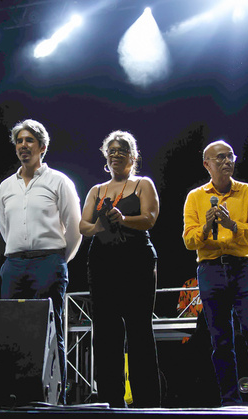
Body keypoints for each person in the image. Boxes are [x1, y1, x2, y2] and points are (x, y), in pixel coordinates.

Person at [182, 140, 248, 408]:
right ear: (206, 164)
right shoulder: (195, 197)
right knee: (221, 339)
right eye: (219, 158)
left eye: (229, 157)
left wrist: (232, 225)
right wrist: (207, 225)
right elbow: (189, 240)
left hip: (244, 267)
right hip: (210, 269)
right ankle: (229, 400)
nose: (226, 161)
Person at [0, 119, 81, 404]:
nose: (23, 145)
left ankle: (56, 397)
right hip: (14, 264)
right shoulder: (6, 186)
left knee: (51, 329)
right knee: (10, 329)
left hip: (49, 262)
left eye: (29, 140)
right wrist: (20, 251)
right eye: (19, 141)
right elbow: (4, 228)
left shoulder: (58, 181)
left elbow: (74, 227)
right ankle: (15, 395)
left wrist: (57, 258)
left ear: (42, 147)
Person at [79, 130, 161, 408]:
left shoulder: (142, 184)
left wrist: (123, 219)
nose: (116, 154)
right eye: (111, 150)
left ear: (133, 156)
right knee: (105, 331)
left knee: (139, 329)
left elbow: (149, 218)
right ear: (105, 155)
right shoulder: (96, 190)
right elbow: (83, 227)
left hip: (136, 260)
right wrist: (100, 226)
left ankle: (147, 402)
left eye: (122, 149)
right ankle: (111, 401)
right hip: (102, 262)